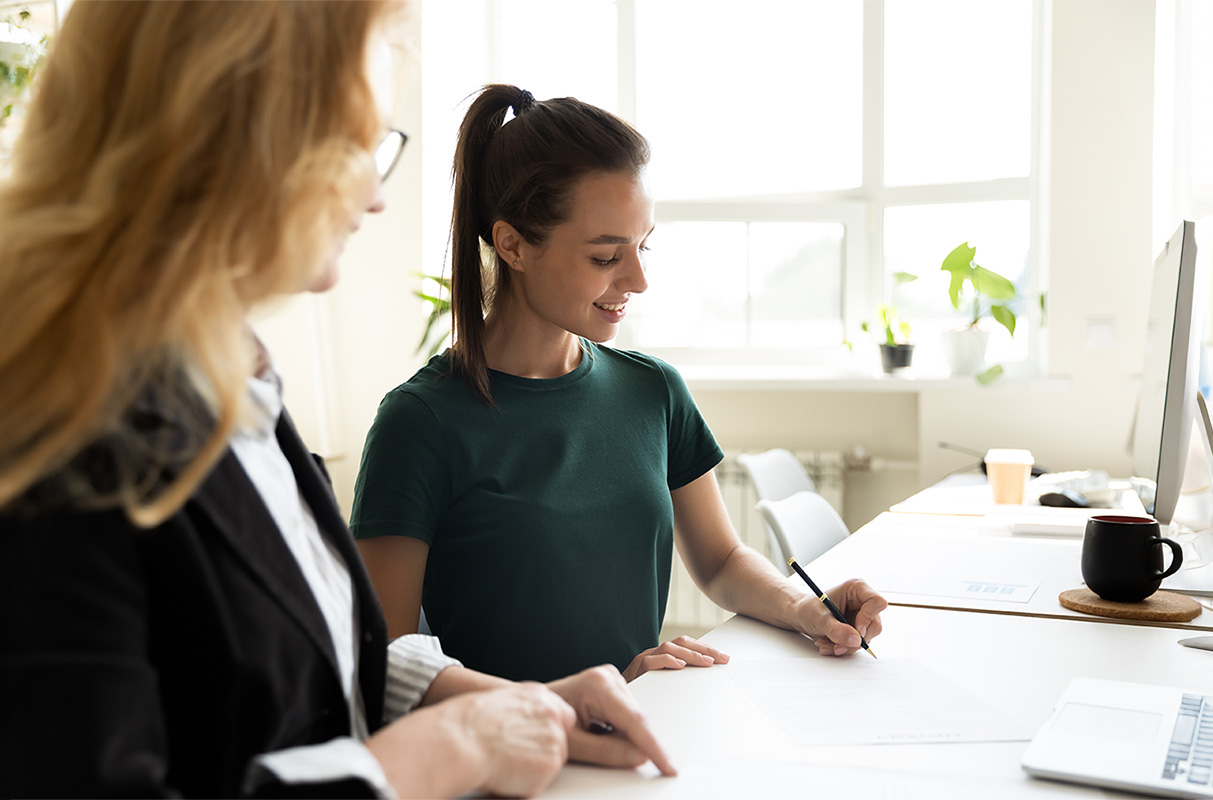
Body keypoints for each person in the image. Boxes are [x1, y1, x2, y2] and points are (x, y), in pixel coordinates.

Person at [0, 6, 675, 798]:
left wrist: (518, 706)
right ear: (222, 137)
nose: (375, 197)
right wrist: (447, 747)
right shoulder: (55, 437)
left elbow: (316, 649)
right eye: (353, 145)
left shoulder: (233, 379)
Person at [350, 84, 888, 685]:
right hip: (513, 763)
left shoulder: (653, 390)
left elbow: (720, 560)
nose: (638, 279)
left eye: (643, 246)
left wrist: (803, 607)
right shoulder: (420, 423)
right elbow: (387, 667)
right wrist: (579, 700)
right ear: (513, 245)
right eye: (606, 257)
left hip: (636, 738)